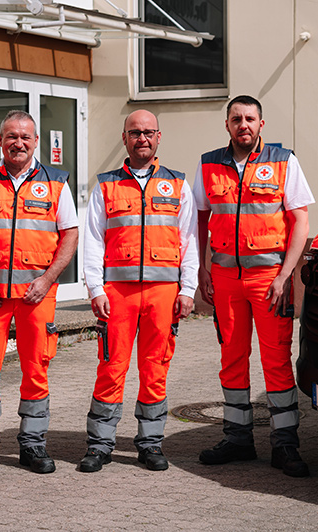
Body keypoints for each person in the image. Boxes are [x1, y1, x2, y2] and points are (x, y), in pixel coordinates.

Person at [195, 95, 314, 477]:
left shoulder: (284, 161)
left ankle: (285, 445)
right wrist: (202, 268)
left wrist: (285, 276)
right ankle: (238, 439)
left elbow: (301, 223)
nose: (243, 124)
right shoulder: (210, 164)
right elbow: (199, 219)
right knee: (231, 359)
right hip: (226, 279)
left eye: (250, 118)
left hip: (270, 281)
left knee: (276, 360)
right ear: (226, 125)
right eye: (236, 119)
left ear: (261, 124)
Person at [0, 110, 79, 476]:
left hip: (36, 296)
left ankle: (32, 445)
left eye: (26, 137)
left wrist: (47, 280)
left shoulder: (56, 182)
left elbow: (70, 233)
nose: (18, 143)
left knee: (36, 369)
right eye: (11, 136)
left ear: (36, 141)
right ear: (0, 141)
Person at [80, 110, 198, 473]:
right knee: (111, 367)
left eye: (148, 132)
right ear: (124, 138)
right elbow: (93, 239)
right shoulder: (105, 185)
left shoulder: (177, 185)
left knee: (155, 369)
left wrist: (188, 288)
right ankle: (100, 445)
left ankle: (150, 444)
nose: (142, 138)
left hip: (164, 293)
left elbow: (190, 240)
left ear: (159, 137)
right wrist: (95, 288)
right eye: (135, 132)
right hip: (118, 293)